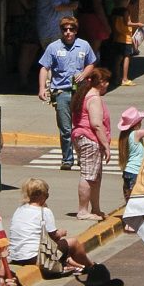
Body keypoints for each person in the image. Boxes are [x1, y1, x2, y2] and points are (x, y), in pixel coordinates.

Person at [37, 13, 97, 171]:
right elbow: (44, 67)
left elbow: (91, 63)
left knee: (81, 126)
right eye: (65, 29)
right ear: (61, 31)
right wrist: (42, 88)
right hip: (61, 92)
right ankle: (67, 159)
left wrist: (84, 74)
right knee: (65, 129)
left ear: (76, 31)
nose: (68, 32)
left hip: (80, 92)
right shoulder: (54, 47)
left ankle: (82, 156)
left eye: (71, 29)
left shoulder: (84, 46)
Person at [7, 178, 90, 275]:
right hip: (34, 256)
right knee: (73, 242)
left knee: (53, 245)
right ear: (42, 195)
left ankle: (69, 263)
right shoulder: (44, 212)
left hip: (16, 256)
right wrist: (61, 232)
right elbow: (54, 236)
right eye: (46, 193)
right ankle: (90, 266)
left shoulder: (20, 209)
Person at [71, 65, 112, 220]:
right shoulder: (94, 98)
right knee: (89, 175)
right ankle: (83, 211)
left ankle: (95, 209)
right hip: (89, 139)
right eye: (106, 81)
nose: (108, 84)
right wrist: (106, 146)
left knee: (95, 176)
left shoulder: (86, 94)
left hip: (84, 138)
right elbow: (96, 124)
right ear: (101, 82)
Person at [117, 108, 144, 199]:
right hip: (135, 172)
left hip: (128, 171)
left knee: (129, 198)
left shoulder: (126, 136)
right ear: (136, 125)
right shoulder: (136, 134)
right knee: (136, 198)